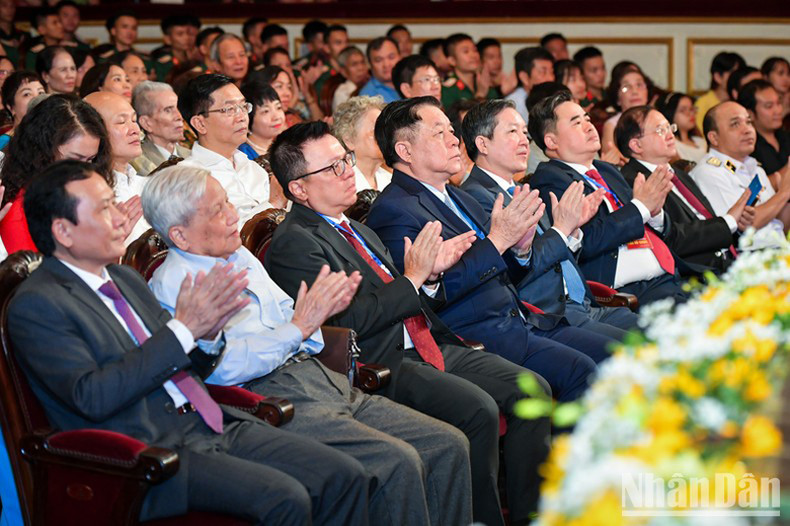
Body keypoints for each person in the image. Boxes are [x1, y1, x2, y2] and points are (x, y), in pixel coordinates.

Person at [8, 159, 370, 525]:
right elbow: (91, 396)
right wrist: (184, 330)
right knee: (284, 498)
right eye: (105, 209)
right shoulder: (38, 303)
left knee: (344, 475)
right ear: (63, 231)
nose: (121, 218)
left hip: (208, 421)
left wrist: (208, 334)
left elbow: (184, 362)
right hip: (145, 456)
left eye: (115, 203)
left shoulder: (123, 278)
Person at [145, 165, 473, 526]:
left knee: (447, 443)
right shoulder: (176, 285)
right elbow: (222, 367)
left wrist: (305, 324)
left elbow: (294, 314)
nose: (233, 215)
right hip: (267, 396)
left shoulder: (236, 254)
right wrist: (297, 330)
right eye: (217, 210)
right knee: (397, 460)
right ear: (180, 235)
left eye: (227, 202)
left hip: (316, 373)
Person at [266, 120, 552, 526]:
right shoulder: (296, 242)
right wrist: (414, 277)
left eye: (345, 159)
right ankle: (481, 518)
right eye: (332, 168)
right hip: (381, 361)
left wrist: (431, 277)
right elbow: (348, 323)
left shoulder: (357, 228)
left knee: (532, 389)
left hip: (427, 339)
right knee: (478, 410)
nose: (348, 171)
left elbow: (407, 293)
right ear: (298, 188)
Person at [366, 96, 611, 399]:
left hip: (521, 319)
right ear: (405, 151)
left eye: (451, 131)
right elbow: (425, 299)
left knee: (614, 357)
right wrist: (498, 241)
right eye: (439, 133)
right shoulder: (394, 210)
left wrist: (520, 250)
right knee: (581, 371)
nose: (454, 139)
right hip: (474, 335)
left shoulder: (459, 197)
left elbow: (503, 269)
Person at [461, 99, 638, 338]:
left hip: (585, 305)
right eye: (513, 132)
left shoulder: (520, 189)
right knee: (637, 353)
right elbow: (518, 268)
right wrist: (562, 230)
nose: (524, 140)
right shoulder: (476, 197)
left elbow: (556, 256)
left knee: (668, 336)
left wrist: (573, 232)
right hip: (548, 317)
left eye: (525, 133)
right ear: (482, 143)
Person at [529, 90, 690, 306]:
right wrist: (641, 207)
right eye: (576, 123)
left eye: (587, 119)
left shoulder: (607, 170)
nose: (589, 126)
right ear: (552, 141)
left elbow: (646, 221)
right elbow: (586, 241)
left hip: (670, 275)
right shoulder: (551, 180)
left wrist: (654, 212)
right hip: (626, 292)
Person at [616, 105, 754, 273]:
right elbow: (671, 237)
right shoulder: (635, 182)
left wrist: (737, 225)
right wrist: (729, 221)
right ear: (637, 145)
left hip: (727, 259)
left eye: (669, 127)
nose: (670, 135)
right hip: (692, 273)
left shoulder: (680, 175)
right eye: (660, 130)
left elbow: (702, 218)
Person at [0, 94, 112, 254]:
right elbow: (33, 274)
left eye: (90, 160)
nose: (84, 171)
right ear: (41, 152)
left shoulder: (72, 195)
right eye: (74, 159)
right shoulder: (18, 210)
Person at [178, 74, 287, 224]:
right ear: (200, 124)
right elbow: (221, 235)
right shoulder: (188, 178)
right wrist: (274, 205)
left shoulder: (252, 167)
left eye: (243, 106)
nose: (242, 117)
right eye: (229, 109)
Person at [690, 101, 790, 240]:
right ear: (714, 138)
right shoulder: (709, 172)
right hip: (745, 258)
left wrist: (786, 197)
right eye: (735, 124)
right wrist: (784, 193)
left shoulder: (756, 169)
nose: (747, 129)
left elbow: (779, 227)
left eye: (748, 122)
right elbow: (742, 227)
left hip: (775, 253)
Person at [85, 90, 149, 243]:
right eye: (121, 122)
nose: (135, 130)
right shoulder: (90, 194)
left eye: (134, 120)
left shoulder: (148, 184)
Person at [131, 81, 191, 176]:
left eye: (178, 109)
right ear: (146, 123)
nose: (179, 116)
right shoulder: (137, 163)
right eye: (168, 110)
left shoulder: (192, 156)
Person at [333, 95, 391, 191]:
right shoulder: (340, 185)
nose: (385, 136)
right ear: (349, 140)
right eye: (376, 130)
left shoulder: (389, 180)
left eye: (386, 129)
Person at [738, 79, 790, 181]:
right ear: (750, 114)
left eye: (779, 103)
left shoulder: (786, 136)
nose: (778, 111)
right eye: (769, 106)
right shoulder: (746, 147)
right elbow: (754, 188)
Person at [599, 63, 649, 165]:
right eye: (626, 87)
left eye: (639, 85)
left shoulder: (658, 118)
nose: (634, 91)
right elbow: (611, 158)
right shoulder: (612, 125)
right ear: (618, 98)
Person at [440, 33, 498, 108]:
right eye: (466, 51)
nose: (473, 55)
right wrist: (480, 96)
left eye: (475, 50)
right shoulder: (448, 90)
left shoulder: (483, 82)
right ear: (452, 60)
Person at [694, 52, 745, 132]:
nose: (738, 78)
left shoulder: (741, 100)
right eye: (733, 73)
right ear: (718, 77)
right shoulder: (703, 104)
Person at [505, 46, 555, 124]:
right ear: (525, 78)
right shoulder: (514, 105)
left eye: (552, 72)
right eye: (543, 72)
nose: (551, 78)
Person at [238, 81, 285, 160]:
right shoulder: (243, 155)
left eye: (278, 107)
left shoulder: (283, 146)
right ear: (247, 117)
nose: (277, 117)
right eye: (266, 111)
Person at [656, 91, 707, 164]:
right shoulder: (670, 143)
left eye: (691, 109)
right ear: (671, 114)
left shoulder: (700, 141)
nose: (690, 114)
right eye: (683, 110)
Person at [0, 71, 44, 149]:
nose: (37, 98)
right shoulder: (4, 144)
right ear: (10, 107)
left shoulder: (52, 137)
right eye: (27, 94)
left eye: (41, 93)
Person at [359, 36, 400, 103]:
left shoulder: (412, 82)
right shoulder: (367, 97)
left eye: (391, 57)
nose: (386, 64)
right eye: (378, 60)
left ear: (400, 57)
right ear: (369, 64)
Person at [332, 46, 369, 112]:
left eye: (363, 62)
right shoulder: (342, 92)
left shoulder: (374, 85)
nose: (361, 68)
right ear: (344, 71)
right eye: (354, 64)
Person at [761, 57, 790, 124]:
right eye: (780, 73)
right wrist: (784, 110)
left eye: (788, 74)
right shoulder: (761, 100)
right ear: (766, 77)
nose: (786, 79)